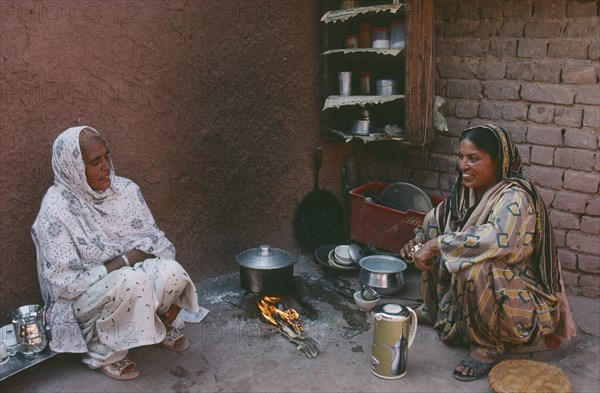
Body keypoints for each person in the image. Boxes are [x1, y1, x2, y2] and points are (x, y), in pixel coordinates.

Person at [400, 124, 576, 382]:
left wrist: (436, 244)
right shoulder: (466, 192)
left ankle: (487, 347)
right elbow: (438, 221)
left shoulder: (516, 197)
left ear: (499, 162)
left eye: (474, 159)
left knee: (474, 266)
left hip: (520, 297)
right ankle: (433, 307)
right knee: (435, 224)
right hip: (487, 290)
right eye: (461, 157)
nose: (463, 166)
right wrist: (418, 242)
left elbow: (497, 238)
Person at [32, 126, 200, 381]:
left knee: (172, 273)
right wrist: (121, 262)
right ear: (74, 168)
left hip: (130, 278)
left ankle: (158, 322)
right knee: (133, 281)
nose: (106, 166)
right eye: (95, 162)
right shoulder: (55, 211)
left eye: (107, 157)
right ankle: (103, 352)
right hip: (85, 299)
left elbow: (158, 243)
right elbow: (64, 286)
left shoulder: (125, 191)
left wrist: (173, 297)